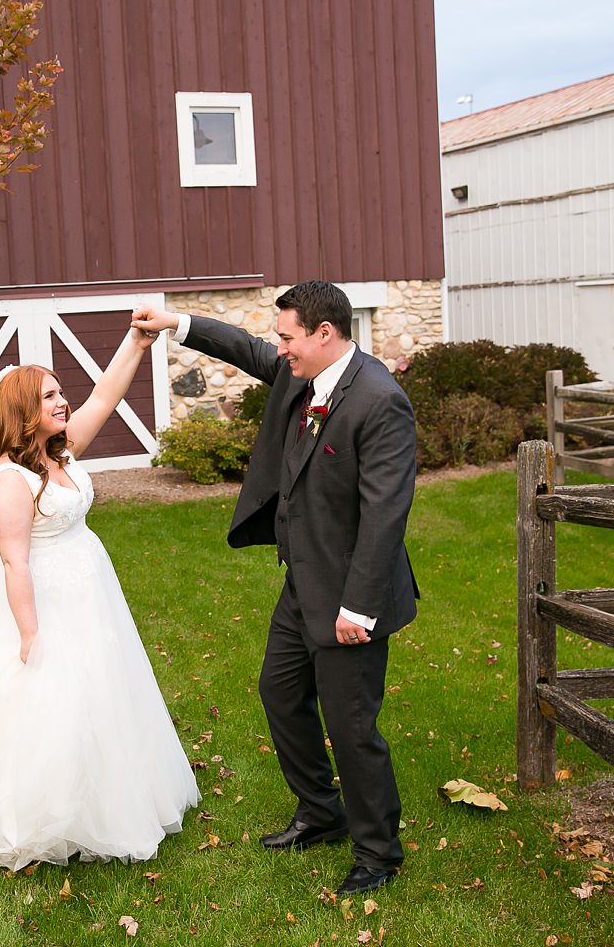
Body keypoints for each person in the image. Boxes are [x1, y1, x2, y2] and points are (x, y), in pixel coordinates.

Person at [131, 282, 417, 897]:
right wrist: (176, 321)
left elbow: (385, 516)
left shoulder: (379, 401)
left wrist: (359, 609)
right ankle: (321, 812)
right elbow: (244, 349)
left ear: (324, 333)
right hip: (302, 582)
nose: (278, 347)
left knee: (351, 726)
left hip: (349, 596)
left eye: (288, 336)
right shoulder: (299, 373)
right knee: (280, 693)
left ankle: (378, 853)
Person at [0, 327, 199, 871]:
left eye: (61, 393)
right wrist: (31, 634)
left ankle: (114, 798)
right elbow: (14, 562)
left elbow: (106, 396)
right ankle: (48, 816)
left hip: (90, 588)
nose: (64, 401)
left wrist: (134, 342)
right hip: (47, 597)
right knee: (56, 701)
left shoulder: (61, 452)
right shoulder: (9, 480)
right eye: (51, 396)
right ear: (23, 412)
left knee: (105, 692)